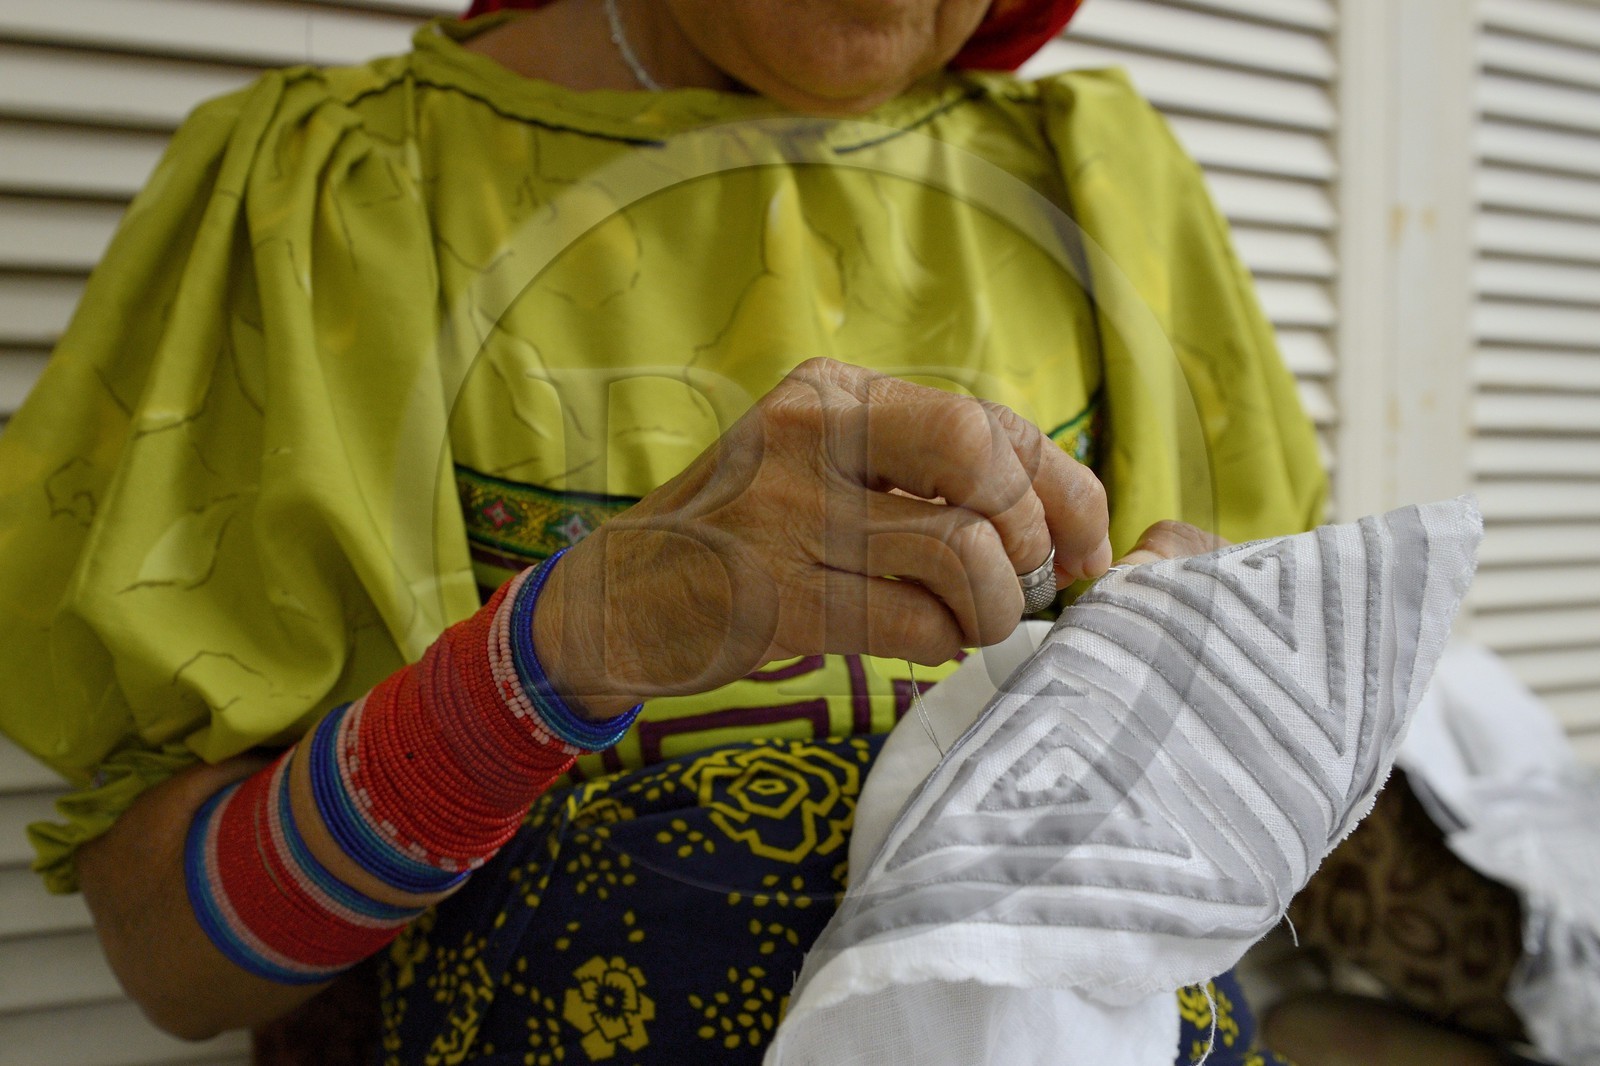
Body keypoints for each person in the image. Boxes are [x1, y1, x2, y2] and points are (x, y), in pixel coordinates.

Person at [0, 0, 1394, 1062]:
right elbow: (176, 957)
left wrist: (1216, 723)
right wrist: (564, 649)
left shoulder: (1099, 187)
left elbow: (1256, 832)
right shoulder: (337, 196)